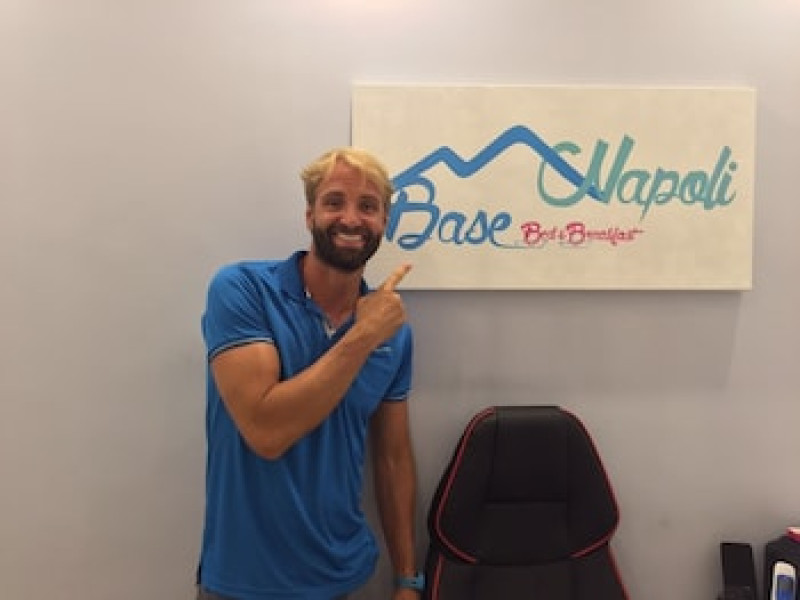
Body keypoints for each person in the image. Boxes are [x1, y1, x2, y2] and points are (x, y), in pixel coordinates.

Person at [196, 147, 422, 600]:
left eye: (368, 206)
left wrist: (407, 579)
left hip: (345, 577)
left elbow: (393, 458)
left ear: (384, 222)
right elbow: (265, 431)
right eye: (334, 202)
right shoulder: (242, 290)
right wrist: (363, 335)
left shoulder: (393, 331)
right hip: (243, 581)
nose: (351, 219)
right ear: (309, 215)